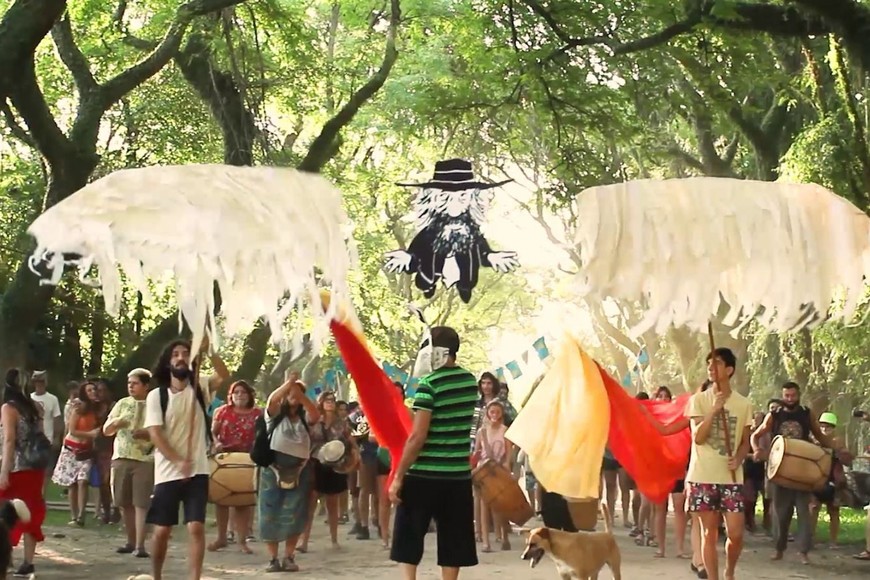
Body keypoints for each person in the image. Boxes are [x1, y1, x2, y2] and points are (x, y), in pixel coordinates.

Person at [389, 326, 478, 580]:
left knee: (409, 536)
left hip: (423, 475)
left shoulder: (428, 385)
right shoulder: (470, 382)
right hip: (458, 475)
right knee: (454, 539)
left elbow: (418, 436)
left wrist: (399, 475)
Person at [144, 339, 211, 580]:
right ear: (168, 362)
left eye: (185, 354)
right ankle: (156, 576)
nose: (181, 357)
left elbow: (224, 375)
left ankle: (195, 578)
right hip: (167, 472)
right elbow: (155, 433)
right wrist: (177, 461)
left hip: (198, 470)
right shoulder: (157, 396)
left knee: (196, 526)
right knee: (162, 531)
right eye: (175, 354)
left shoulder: (200, 388)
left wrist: (208, 350)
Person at [685, 348, 753, 580]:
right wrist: (713, 410)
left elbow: (745, 441)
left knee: (736, 533)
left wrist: (740, 457)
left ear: (729, 370)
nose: (711, 368)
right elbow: (698, 437)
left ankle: (729, 571)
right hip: (703, 475)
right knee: (709, 532)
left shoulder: (743, 404)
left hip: (731, 477)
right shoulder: (698, 400)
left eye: (717, 364)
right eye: (709, 364)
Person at [750, 381, 834, 564]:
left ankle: (803, 552)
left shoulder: (806, 414)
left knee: (804, 512)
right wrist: (757, 450)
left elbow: (820, 436)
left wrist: (835, 448)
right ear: (782, 396)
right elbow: (755, 435)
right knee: (780, 514)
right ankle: (779, 549)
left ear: (799, 395)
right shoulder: (774, 415)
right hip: (780, 471)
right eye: (786, 396)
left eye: (793, 395)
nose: (790, 399)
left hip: (802, 471)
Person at [0, 369, 48, 577]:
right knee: (31, 510)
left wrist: (4, 471)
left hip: (16, 468)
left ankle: (4, 554)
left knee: (4, 510)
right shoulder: (35, 407)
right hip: (34, 467)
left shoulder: (8, 408)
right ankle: (28, 562)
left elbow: (9, 440)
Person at [102, 368, 154, 558]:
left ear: (146, 386)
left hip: (145, 458)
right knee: (123, 502)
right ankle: (130, 541)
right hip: (121, 457)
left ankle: (140, 545)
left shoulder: (155, 404)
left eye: (135, 383)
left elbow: (164, 431)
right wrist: (116, 423)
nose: (131, 386)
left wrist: (147, 434)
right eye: (129, 383)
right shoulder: (122, 403)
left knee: (141, 502)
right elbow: (106, 430)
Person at [29, 371, 62, 494]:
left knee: (47, 469)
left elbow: (57, 418)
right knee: (32, 467)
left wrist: (57, 437)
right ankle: (33, 491)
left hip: (47, 438)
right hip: (32, 439)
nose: (39, 384)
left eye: (42, 382)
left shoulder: (52, 399)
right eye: (37, 382)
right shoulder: (29, 398)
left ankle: (42, 493)